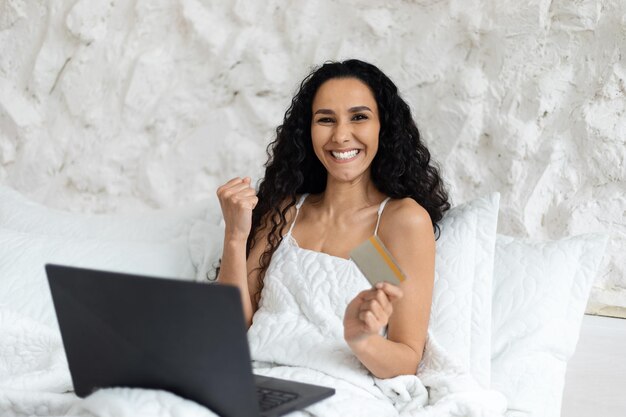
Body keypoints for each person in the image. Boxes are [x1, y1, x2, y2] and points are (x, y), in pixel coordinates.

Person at [215, 59, 449, 380]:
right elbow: (232, 327)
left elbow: (406, 359)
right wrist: (234, 237)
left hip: (341, 389)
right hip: (250, 377)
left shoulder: (400, 221)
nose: (340, 135)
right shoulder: (285, 212)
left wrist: (361, 338)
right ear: (308, 130)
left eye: (359, 117)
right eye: (326, 119)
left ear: (384, 126)